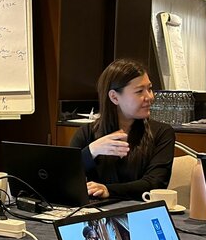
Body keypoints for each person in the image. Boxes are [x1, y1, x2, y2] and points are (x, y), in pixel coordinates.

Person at [70, 59, 175, 200]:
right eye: (139, 91)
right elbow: (64, 178)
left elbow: (156, 183)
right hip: (93, 215)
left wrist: (109, 190)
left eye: (149, 89)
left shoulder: (162, 133)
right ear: (114, 97)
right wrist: (91, 151)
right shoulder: (87, 132)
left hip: (139, 213)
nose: (150, 97)